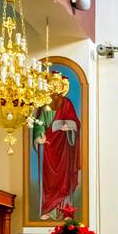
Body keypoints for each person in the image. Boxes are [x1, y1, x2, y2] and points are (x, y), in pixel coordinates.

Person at [33, 90, 81, 220]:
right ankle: (48, 210)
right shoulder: (44, 104)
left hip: (64, 146)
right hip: (48, 145)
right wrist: (39, 136)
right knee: (49, 179)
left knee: (64, 177)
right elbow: (39, 123)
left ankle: (66, 211)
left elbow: (76, 123)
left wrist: (69, 128)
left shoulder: (67, 103)